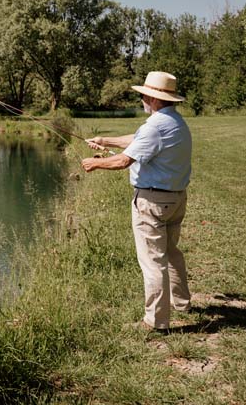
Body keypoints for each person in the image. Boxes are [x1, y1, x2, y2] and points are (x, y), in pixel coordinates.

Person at [80, 71, 192, 331]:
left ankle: (156, 322)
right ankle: (182, 303)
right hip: (175, 199)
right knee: (172, 253)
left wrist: (95, 164)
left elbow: (122, 161)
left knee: (153, 260)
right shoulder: (174, 121)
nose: (142, 98)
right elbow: (137, 140)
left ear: (153, 99)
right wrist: (103, 140)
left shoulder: (155, 125)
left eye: (144, 95)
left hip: (152, 202)